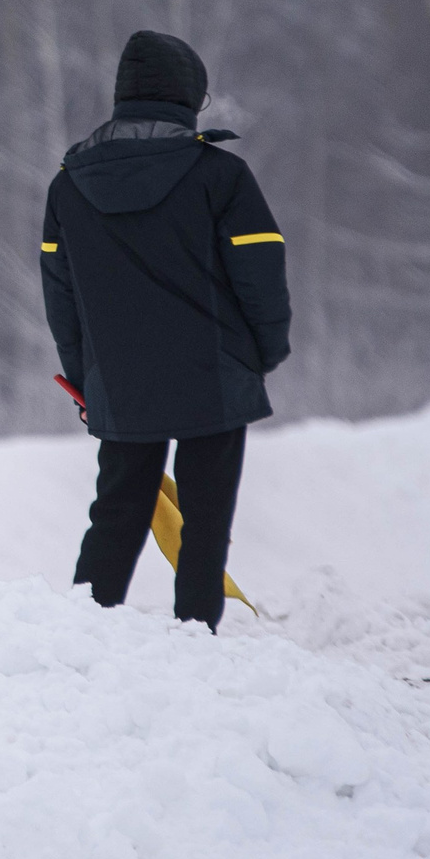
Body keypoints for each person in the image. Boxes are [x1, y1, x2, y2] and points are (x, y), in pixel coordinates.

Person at [39, 31, 291, 629]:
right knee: (207, 523)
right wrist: (264, 351)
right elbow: (262, 273)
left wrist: (85, 378)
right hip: (216, 375)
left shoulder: (67, 185)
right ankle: (197, 638)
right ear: (190, 97)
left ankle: (86, 633)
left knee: (118, 511)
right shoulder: (221, 176)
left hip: (120, 381)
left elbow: (60, 293)